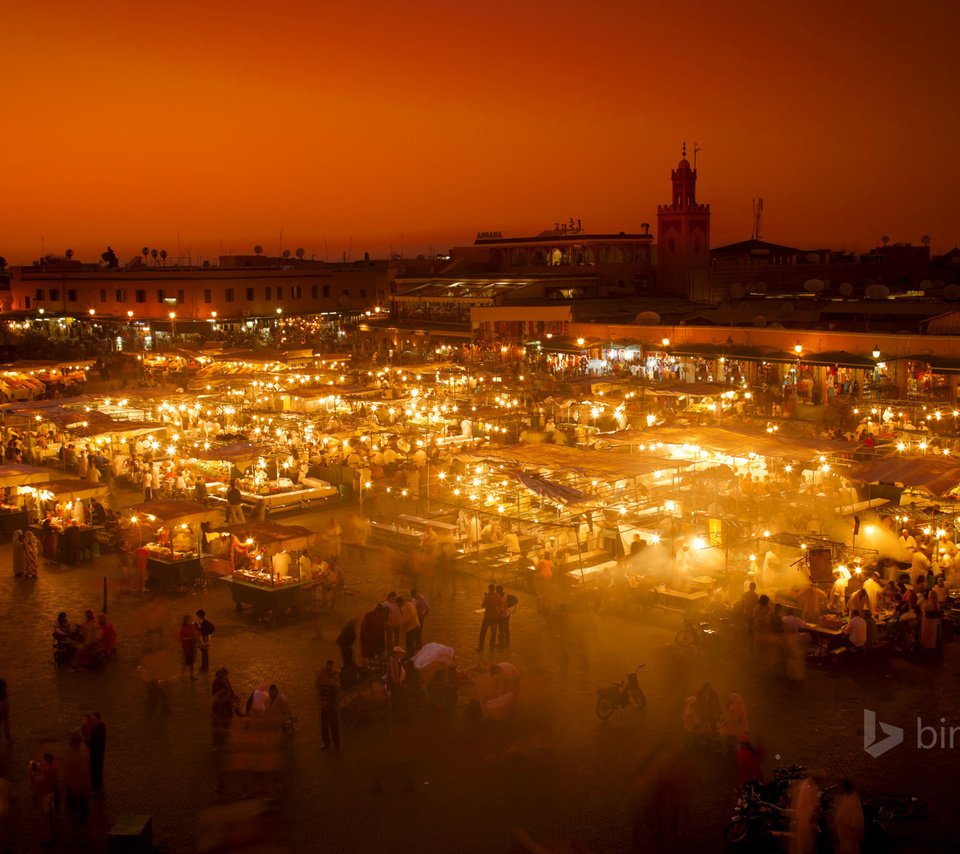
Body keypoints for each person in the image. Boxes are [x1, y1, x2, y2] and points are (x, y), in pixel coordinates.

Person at [29, 753, 58, 846]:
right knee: (52, 816)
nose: (40, 762)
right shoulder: (53, 769)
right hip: (52, 795)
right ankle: (54, 834)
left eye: (42, 761)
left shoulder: (44, 774)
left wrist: (31, 772)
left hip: (45, 797)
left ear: (47, 762)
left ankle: (48, 838)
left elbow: (36, 784)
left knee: (45, 819)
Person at [63, 732, 91, 826]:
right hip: (82, 781)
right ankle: (83, 818)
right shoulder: (84, 748)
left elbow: (68, 766)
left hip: (74, 781)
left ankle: (76, 817)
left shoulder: (70, 751)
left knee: (73, 801)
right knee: (83, 801)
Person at [832, 778, 865, 854]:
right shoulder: (846, 797)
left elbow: (856, 817)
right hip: (844, 833)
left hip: (850, 834)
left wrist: (855, 831)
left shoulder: (853, 799)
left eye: (840, 786)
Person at [316, 660, 341, 751]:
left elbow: (337, 693)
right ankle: (327, 743)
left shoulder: (333, 680)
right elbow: (318, 689)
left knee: (333, 725)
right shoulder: (322, 678)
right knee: (324, 726)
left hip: (331, 706)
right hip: (324, 706)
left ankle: (336, 743)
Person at [82, 712, 107, 796]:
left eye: (94, 719)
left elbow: (94, 744)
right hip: (96, 753)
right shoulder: (98, 727)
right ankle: (96, 786)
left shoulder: (98, 728)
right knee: (95, 769)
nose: (92, 721)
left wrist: (87, 741)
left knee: (96, 770)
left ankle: (97, 788)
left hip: (97, 753)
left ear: (97, 719)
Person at [478, 583, 501, 652]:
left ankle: (481, 647)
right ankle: (492, 646)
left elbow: (482, 605)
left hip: (488, 617)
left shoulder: (487, 596)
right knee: (493, 633)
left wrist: (485, 596)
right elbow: (500, 605)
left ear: (489, 589)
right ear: (494, 589)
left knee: (483, 633)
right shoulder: (498, 596)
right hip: (495, 617)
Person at [387, 646, 407, 719]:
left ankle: (396, 713)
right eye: (400, 653)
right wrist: (398, 682)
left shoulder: (396, 659)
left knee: (396, 698)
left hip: (396, 682)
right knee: (396, 698)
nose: (401, 654)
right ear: (397, 653)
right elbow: (394, 673)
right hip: (395, 683)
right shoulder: (393, 660)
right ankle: (396, 714)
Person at [179, 615, 200, 680]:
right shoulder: (183, 629)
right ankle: (182, 676)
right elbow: (182, 639)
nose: (189, 621)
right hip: (187, 648)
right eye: (188, 620)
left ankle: (191, 675)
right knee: (186, 662)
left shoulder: (193, 626)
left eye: (190, 620)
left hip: (193, 647)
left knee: (192, 662)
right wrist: (190, 638)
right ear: (185, 621)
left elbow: (197, 632)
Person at [497, 584, 516, 649]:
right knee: (507, 630)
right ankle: (507, 643)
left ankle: (501, 643)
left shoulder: (502, 599)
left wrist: (497, 616)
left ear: (499, 590)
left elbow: (501, 610)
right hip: (507, 615)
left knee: (501, 630)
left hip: (503, 616)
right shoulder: (506, 595)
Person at [0, 680, 11, 747]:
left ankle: (1, 742)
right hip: (5, 702)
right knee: (6, 721)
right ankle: (8, 739)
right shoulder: (2, 682)